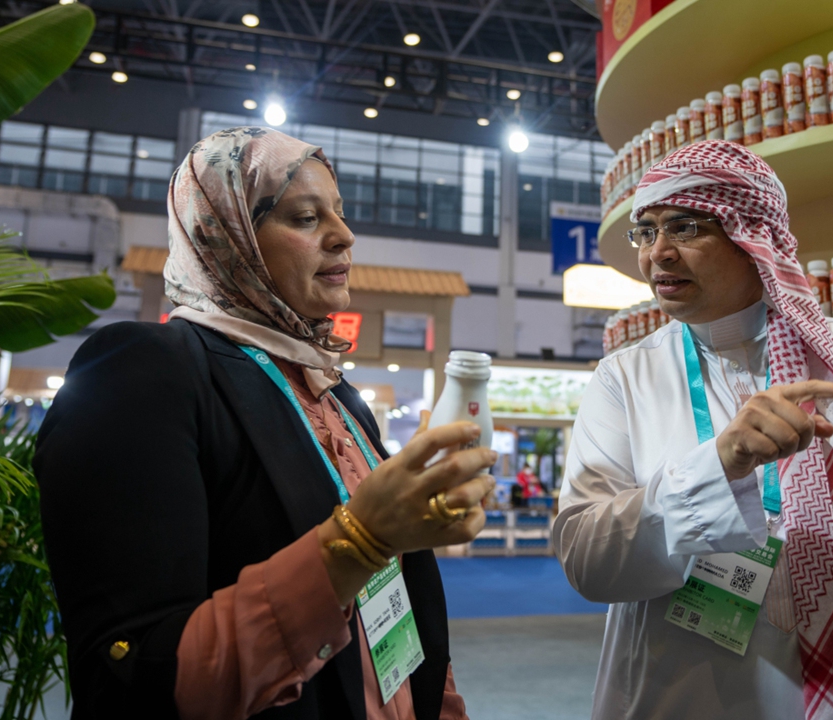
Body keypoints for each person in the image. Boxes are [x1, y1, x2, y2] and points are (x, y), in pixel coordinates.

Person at [34, 127, 494, 720]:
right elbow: (138, 673)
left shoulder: (338, 396)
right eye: (305, 218)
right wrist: (358, 542)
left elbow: (400, 610)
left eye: (340, 213)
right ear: (226, 237)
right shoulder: (146, 372)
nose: (344, 235)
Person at [554, 141, 833, 720]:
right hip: (691, 695)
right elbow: (587, 562)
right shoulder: (626, 377)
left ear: (755, 238)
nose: (658, 255)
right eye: (644, 232)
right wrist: (715, 467)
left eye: (683, 226)